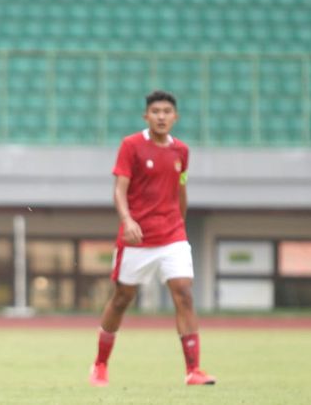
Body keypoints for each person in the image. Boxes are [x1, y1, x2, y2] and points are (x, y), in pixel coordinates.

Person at [89, 91, 216, 387]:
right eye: (155, 111)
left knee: (184, 293)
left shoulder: (181, 152)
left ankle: (194, 370)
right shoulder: (131, 145)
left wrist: (179, 224)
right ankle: (100, 364)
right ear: (146, 116)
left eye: (167, 111)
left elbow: (180, 188)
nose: (161, 116)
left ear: (175, 117)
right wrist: (127, 220)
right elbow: (120, 189)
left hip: (172, 235)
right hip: (137, 238)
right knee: (122, 299)